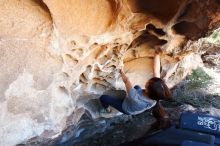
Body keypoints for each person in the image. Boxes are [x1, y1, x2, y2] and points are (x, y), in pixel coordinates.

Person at [99, 46, 171, 120]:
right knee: (137, 87)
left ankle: (107, 109)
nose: (148, 81)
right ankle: (127, 101)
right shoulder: (156, 96)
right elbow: (156, 70)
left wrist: (121, 70)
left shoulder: (135, 96)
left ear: (148, 90)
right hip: (135, 106)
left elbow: (126, 81)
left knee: (103, 98)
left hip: (126, 108)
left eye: (149, 83)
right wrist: (157, 53)